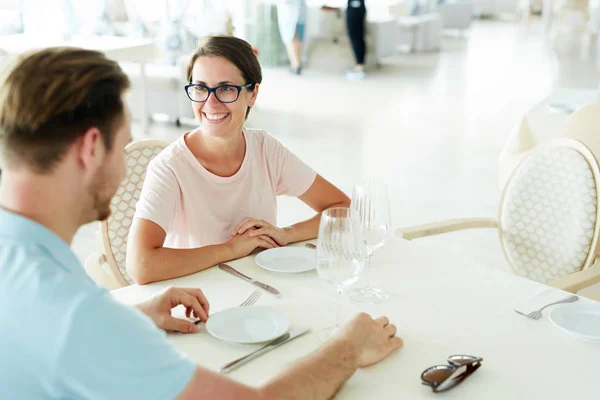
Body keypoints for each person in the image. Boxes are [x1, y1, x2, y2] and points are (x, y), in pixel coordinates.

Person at [0, 47, 403, 399]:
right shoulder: (78, 317)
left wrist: (134, 316)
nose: (125, 166)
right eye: (123, 144)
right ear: (91, 148)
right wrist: (349, 345)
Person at [127, 35, 350, 285]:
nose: (210, 103)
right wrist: (230, 249)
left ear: (252, 94)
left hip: (262, 291)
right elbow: (140, 266)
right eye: (200, 87)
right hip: (198, 300)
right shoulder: (169, 167)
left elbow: (343, 209)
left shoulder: (266, 150)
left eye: (225, 88)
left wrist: (285, 234)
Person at [276, 0, 307, 74]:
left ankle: (296, 64)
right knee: (298, 34)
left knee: (290, 35)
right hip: (300, 7)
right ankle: (297, 63)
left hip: (289, 9)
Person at [346, 0, 367, 80]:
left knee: (356, 38)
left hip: (355, 9)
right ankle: (360, 65)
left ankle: (360, 66)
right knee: (357, 38)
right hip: (356, 8)